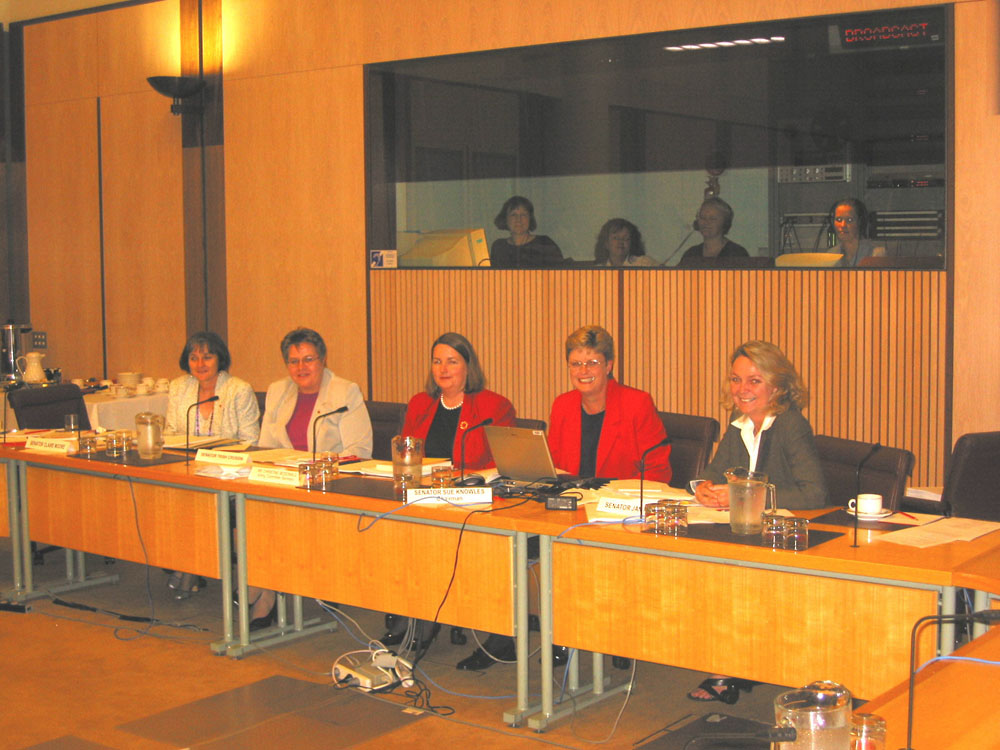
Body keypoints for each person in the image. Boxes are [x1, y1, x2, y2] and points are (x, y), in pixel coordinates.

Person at [688, 340, 827, 703]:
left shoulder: (792, 425)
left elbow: (814, 494)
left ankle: (731, 667)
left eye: (754, 380)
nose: (741, 389)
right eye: (736, 379)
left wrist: (747, 496)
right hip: (743, 533)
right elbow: (714, 473)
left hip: (783, 539)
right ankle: (728, 663)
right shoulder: (738, 426)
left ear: (777, 386)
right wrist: (703, 488)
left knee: (724, 577)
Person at [384, 332, 516, 655]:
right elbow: (408, 454)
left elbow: (505, 464)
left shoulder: (493, 405)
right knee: (395, 527)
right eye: (437, 361)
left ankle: (499, 637)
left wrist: (465, 479)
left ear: (468, 367)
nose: (443, 369)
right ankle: (417, 614)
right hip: (425, 499)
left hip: (472, 503)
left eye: (452, 362)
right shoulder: (420, 403)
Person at [252, 327, 373, 630]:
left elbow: (360, 451)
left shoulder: (345, 392)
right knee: (253, 510)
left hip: (328, 486)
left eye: (308, 359)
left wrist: (319, 467)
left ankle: (267, 588)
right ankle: (266, 589)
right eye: (293, 361)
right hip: (284, 482)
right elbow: (265, 447)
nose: (301, 368)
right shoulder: (278, 391)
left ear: (322, 360)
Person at [164, 331, 260, 599]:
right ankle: (188, 565)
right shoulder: (179, 388)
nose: (200, 364)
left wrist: (216, 460)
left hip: (229, 476)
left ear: (220, 359)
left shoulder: (238, 389)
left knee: (200, 502)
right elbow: (170, 432)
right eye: (193, 358)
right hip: (189, 473)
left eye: (207, 357)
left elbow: (251, 441)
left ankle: (189, 569)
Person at [548, 325, 671, 483]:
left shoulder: (637, 404)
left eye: (592, 363)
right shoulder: (562, 406)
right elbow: (551, 467)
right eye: (576, 364)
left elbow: (657, 472)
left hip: (619, 497)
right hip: (572, 496)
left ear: (608, 366)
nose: (583, 371)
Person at [489, 195, 564, 268]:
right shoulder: (499, 247)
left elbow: (561, 273)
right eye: (513, 215)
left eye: (523, 215)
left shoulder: (544, 243)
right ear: (505, 219)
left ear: (530, 219)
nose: (519, 219)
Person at [680, 197, 749, 262]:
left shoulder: (737, 254)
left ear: (725, 222)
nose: (706, 222)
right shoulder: (691, 254)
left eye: (712, 219)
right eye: (702, 217)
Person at [829, 198, 886, 267]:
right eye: (839, 219)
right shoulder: (831, 254)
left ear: (859, 222)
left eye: (849, 220)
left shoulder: (875, 253)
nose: (843, 225)